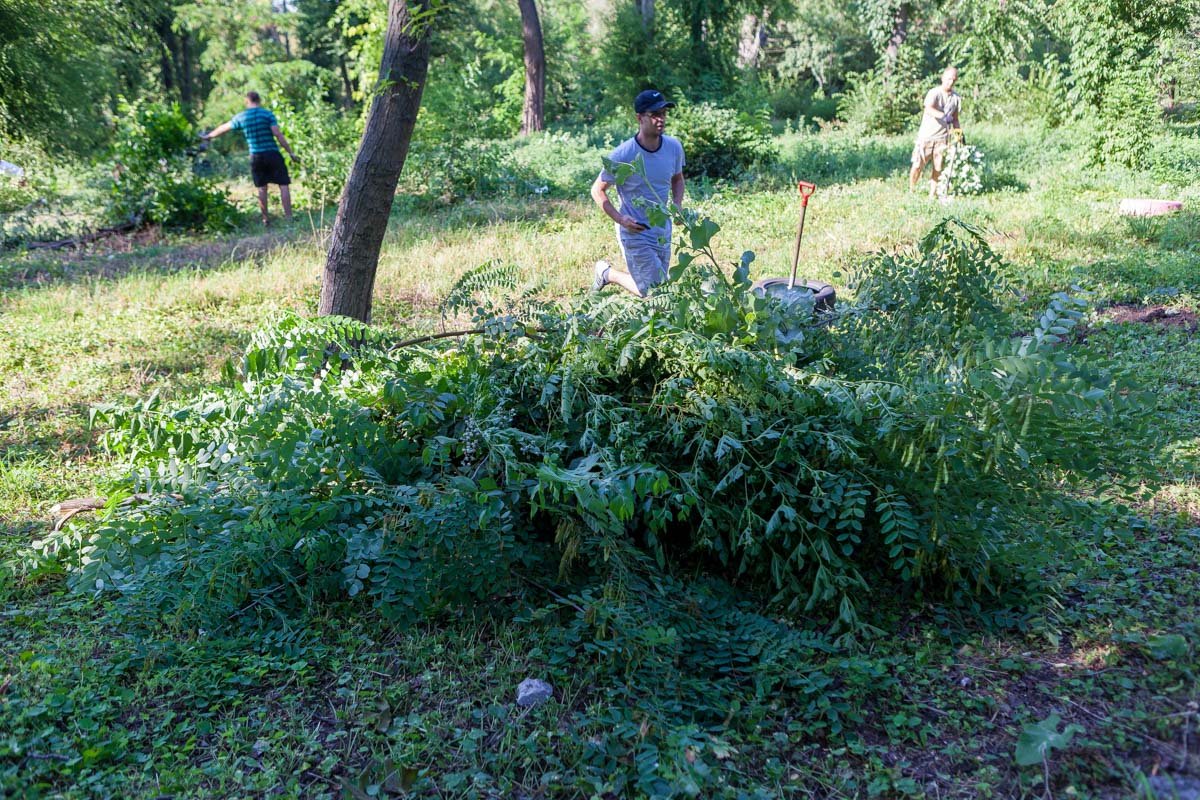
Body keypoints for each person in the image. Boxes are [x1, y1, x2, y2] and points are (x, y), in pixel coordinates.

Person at [590, 89, 686, 296]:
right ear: (639, 118)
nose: (660, 119)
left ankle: (606, 274)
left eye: (663, 113)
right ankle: (609, 274)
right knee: (656, 292)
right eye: (654, 115)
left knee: (656, 285)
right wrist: (621, 219)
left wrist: (677, 205)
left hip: (662, 229)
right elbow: (598, 190)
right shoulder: (623, 154)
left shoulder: (673, 147)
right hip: (636, 231)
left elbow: (677, 179)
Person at [201, 91, 298, 225]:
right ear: (259, 100)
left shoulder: (242, 116)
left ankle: (265, 219)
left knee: (261, 187)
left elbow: (225, 127)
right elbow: (277, 134)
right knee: (283, 184)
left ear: (247, 101)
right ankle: (289, 218)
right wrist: (290, 152)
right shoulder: (267, 114)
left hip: (256, 156)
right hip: (272, 153)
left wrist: (209, 136)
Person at [909, 67, 962, 198]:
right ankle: (911, 190)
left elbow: (955, 119)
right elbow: (929, 109)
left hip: (942, 139)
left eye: (954, 80)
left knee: (938, 168)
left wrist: (958, 134)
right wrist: (943, 116)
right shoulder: (934, 93)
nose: (951, 82)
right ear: (943, 78)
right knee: (917, 165)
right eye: (949, 78)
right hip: (926, 136)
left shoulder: (956, 98)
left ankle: (932, 195)